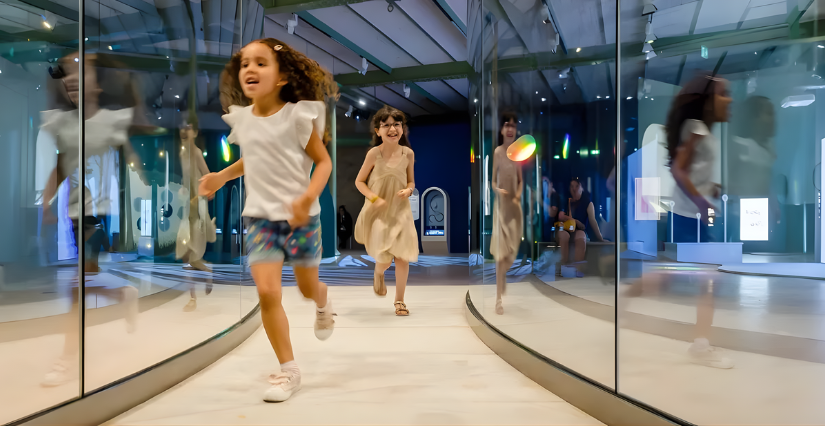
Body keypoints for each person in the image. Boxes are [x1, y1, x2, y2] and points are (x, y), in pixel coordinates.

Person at [199, 38, 337, 402]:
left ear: (281, 78)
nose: (250, 70)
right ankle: (289, 370)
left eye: (261, 63)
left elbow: (323, 162)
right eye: (245, 63)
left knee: (307, 289)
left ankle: (322, 299)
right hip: (260, 219)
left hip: (301, 219)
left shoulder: (297, 116)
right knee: (267, 292)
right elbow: (255, 158)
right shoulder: (243, 119)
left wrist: (308, 197)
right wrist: (221, 176)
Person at [40, 52, 143, 387]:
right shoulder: (67, 125)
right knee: (80, 286)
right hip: (73, 214)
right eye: (67, 73)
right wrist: (46, 201)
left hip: (94, 216)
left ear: (97, 85)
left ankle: (66, 360)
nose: (71, 78)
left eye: (81, 72)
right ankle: (122, 294)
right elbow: (60, 166)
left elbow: (131, 152)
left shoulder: (111, 122)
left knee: (74, 289)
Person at [621, 72, 734, 369]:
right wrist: (701, 202)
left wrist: (711, 190)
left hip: (691, 217)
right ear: (708, 101)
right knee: (706, 280)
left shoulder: (703, 130)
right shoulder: (697, 128)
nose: (729, 100)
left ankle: (631, 294)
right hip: (690, 218)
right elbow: (680, 171)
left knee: (691, 277)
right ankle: (700, 345)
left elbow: (691, 171)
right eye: (724, 94)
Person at [354, 105, 418, 316]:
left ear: (402, 128)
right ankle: (379, 272)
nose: (392, 129)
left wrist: (409, 190)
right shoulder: (374, 154)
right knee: (385, 259)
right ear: (378, 130)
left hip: (401, 212)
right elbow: (359, 181)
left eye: (396, 124)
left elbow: (411, 181)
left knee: (402, 257)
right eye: (386, 125)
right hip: (378, 212)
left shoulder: (408, 153)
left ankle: (399, 301)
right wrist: (374, 198)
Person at [177, 120, 216, 312]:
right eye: (182, 127)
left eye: (188, 127)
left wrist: (198, 197)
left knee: (192, 254)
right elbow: (185, 181)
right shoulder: (182, 153)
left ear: (195, 131)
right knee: (186, 255)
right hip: (187, 209)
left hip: (198, 209)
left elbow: (210, 182)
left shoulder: (197, 153)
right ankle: (193, 296)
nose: (184, 130)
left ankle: (207, 273)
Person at [490, 112, 523, 315]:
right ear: (502, 130)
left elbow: (520, 181)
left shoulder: (518, 154)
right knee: (500, 255)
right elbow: (493, 180)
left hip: (514, 208)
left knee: (511, 255)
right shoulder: (497, 152)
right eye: (506, 125)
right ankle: (498, 299)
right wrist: (497, 190)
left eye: (513, 125)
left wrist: (518, 196)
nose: (510, 128)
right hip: (501, 207)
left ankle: (502, 278)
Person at [557, 178, 605, 277]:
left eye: (577, 186)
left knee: (581, 236)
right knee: (564, 236)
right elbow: (560, 216)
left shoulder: (588, 203)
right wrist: (575, 220)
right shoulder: (566, 200)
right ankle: (563, 266)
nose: (574, 189)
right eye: (572, 186)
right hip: (565, 229)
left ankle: (578, 268)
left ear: (582, 188)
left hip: (578, 230)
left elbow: (593, 221)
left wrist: (600, 238)